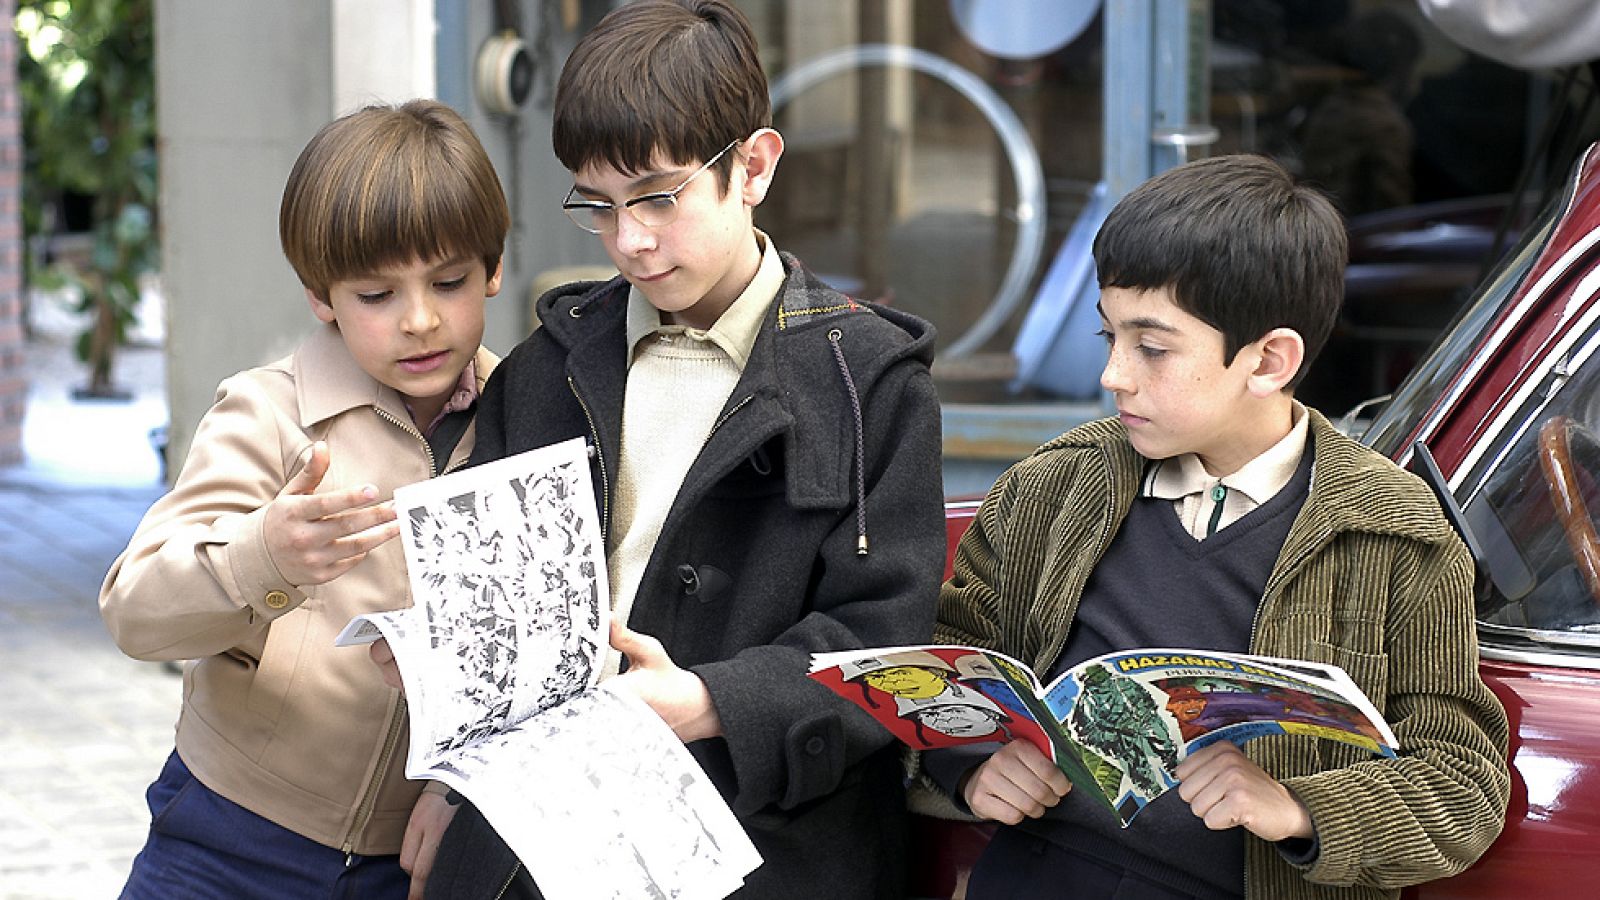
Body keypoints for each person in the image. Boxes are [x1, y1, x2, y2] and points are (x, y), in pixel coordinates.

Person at [413, 2, 945, 897]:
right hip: (531, 832)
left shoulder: (869, 383)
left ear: (755, 167)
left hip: (761, 840)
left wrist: (706, 704)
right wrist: (446, 770)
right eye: (600, 205)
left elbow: (882, 646)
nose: (631, 241)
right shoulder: (549, 367)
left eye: (659, 196)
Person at [927, 154, 1510, 900]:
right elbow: (956, 668)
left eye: (1153, 347)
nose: (1115, 376)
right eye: (1108, 337)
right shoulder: (1054, 488)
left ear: (1269, 360)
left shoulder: (1391, 532)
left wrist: (1299, 809)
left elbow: (1460, 783)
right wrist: (971, 766)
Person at [99, 99, 510, 899]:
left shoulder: (526, 419)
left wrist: (458, 788)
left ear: (493, 268)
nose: (419, 320)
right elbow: (135, 611)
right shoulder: (267, 415)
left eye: (450, 281)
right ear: (321, 296)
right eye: (375, 295)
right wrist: (263, 557)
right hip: (227, 835)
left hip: (415, 862)